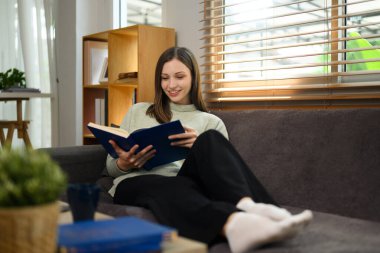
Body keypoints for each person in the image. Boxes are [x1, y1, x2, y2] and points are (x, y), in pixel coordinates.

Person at [106, 47, 313, 253]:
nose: (171, 85)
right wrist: (124, 163)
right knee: (169, 186)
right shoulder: (138, 110)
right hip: (134, 184)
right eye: (164, 78)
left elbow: (219, 176)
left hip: (184, 183)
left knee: (209, 139)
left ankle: (248, 207)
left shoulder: (211, 121)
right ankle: (239, 223)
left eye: (179, 77)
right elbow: (110, 167)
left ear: (193, 77)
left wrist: (195, 146)